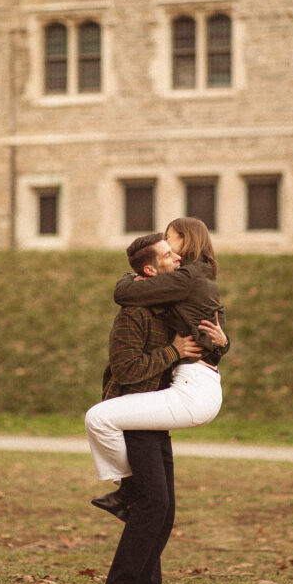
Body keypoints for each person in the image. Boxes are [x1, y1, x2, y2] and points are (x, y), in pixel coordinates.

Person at [85, 217, 228, 518]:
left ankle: (128, 486)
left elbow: (123, 295)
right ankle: (128, 489)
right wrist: (221, 344)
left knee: (99, 418)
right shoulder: (198, 277)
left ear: (186, 240)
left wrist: (129, 278)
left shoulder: (186, 277)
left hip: (193, 385)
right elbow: (214, 323)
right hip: (196, 379)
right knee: (158, 505)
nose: (167, 243)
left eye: (170, 237)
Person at [97, 232, 202, 584]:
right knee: (152, 504)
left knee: (165, 507)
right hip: (133, 415)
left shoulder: (162, 307)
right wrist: (173, 352)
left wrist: (219, 343)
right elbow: (125, 370)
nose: (177, 259)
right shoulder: (133, 314)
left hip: (159, 414)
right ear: (149, 269)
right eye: (168, 255)